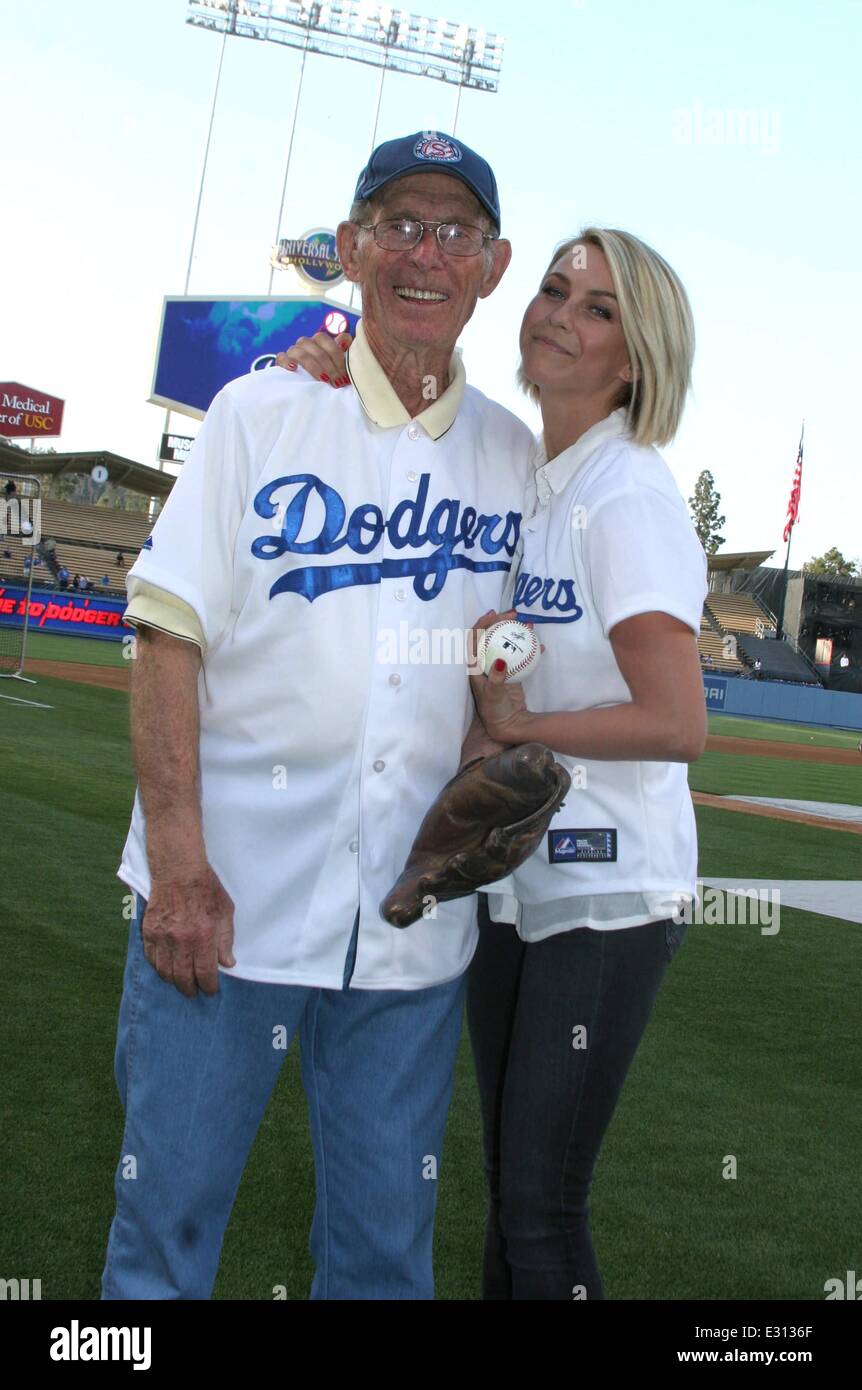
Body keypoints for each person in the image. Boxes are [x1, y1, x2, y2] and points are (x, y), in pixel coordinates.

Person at [101, 130, 532, 1301]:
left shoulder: (511, 456)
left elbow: (502, 667)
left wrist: (501, 735)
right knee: (164, 1234)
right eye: (399, 224)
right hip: (225, 910)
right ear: (348, 249)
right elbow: (166, 635)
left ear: (491, 266)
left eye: (455, 231)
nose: (425, 253)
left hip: (409, 927)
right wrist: (181, 868)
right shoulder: (262, 412)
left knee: (386, 1257)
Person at [285, 227, 707, 1300]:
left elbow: (675, 720)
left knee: (541, 1208)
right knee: (510, 1187)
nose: (561, 313)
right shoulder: (537, 474)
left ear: (636, 357)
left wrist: (521, 731)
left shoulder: (628, 496)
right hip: (524, 887)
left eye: (599, 308)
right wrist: (314, 368)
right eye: (556, 289)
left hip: (607, 896)